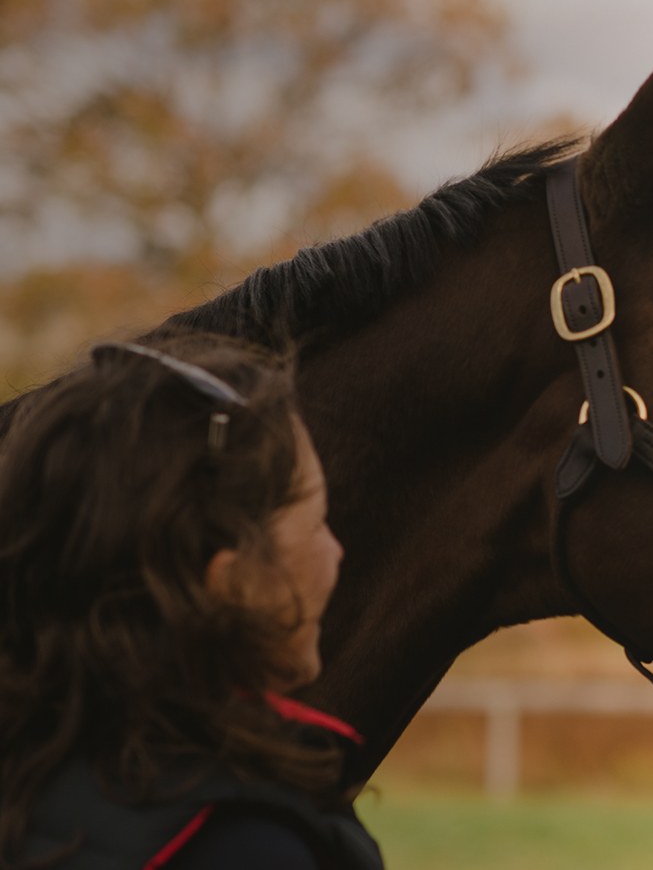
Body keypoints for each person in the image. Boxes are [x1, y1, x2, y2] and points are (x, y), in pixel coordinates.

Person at [0, 339, 380, 869]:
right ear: (231, 585)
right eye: (315, 521)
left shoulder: (28, 772)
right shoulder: (247, 847)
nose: (336, 552)